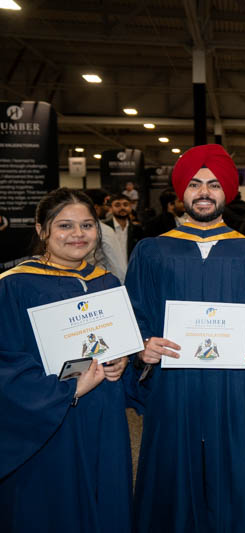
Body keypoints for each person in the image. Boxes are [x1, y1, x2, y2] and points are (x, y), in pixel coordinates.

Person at [125, 144, 245, 533]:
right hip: (174, 384)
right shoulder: (151, 250)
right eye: (195, 184)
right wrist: (141, 344)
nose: (203, 192)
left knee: (238, 470)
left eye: (214, 184)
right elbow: (133, 313)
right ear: (181, 191)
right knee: (174, 473)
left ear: (226, 192)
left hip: (236, 386)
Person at [0, 188, 131, 532]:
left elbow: (117, 342)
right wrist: (66, 391)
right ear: (42, 229)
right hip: (49, 421)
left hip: (104, 413)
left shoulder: (107, 282)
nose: (78, 235)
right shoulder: (13, 287)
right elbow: (5, 363)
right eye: (65, 226)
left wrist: (122, 361)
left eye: (87, 225)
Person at [84, 188, 128, 282]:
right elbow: (118, 266)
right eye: (104, 205)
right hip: (100, 283)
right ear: (95, 207)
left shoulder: (75, 230)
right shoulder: (104, 230)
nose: (108, 209)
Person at [105, 193, 142, 262]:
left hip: (131, 269)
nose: (122, 208)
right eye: (117, 205)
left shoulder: (138, 230)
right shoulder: (104, 229)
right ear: (110, 208)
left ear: (130, 207)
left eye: (125, 205)